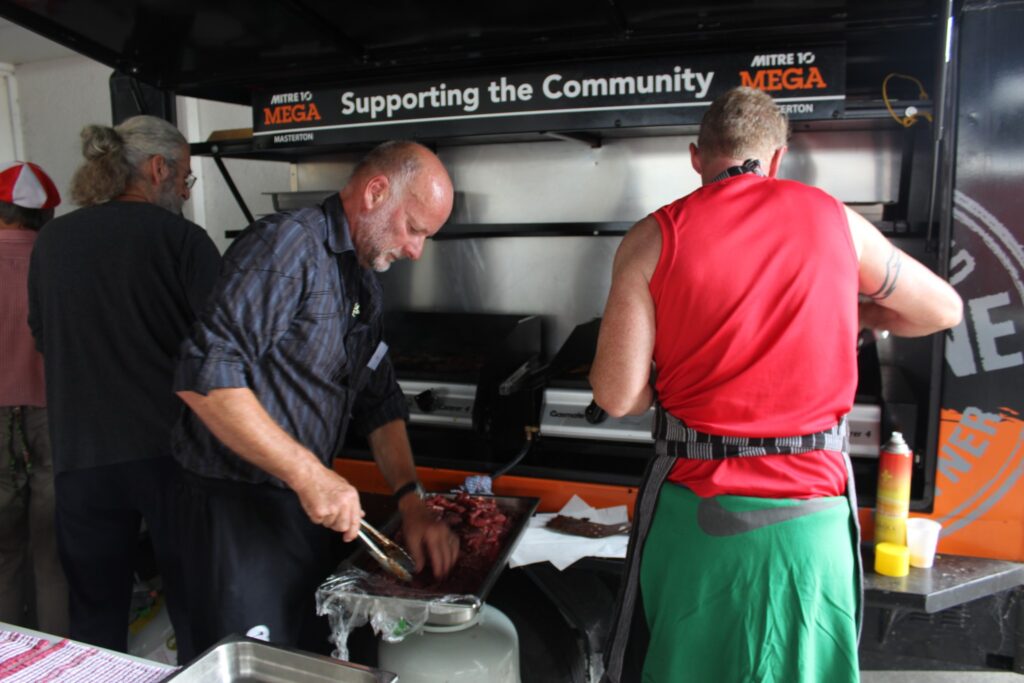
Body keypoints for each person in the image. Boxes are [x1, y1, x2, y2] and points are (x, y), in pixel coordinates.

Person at [590, 87, 963, 683]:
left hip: (698, 526)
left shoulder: (653, 237)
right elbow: (943, 309)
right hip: (811, 527)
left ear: (695, 156)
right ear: (778, 157)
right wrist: (859, 314)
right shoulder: (838, 222)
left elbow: (617, 396)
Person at [173, 139, 460, 655]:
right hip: (235, 511)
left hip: (300, 510)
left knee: (306, 660)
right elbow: (205, 375)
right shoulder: (287, 246)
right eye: (414, 229)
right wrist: (308, 473)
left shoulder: (362, 282)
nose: (416, 250)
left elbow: (379, 399)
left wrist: (411, 502)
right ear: (376, 192)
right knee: (253, 665)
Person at [27, 115, 221, 661]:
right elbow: (224, 348)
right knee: (195, 606)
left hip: (81, 455)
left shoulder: (53, 240)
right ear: (158, 168)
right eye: (185, 176)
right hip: (173, 455)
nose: (186, 190)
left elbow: (43, 336)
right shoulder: (183, 240)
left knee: (95, 615)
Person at [0, 161, 68, 635]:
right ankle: (55, 652)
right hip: (54, 417)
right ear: (46, 215)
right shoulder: (62, 261)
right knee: (52, 553)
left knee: (3, 552)